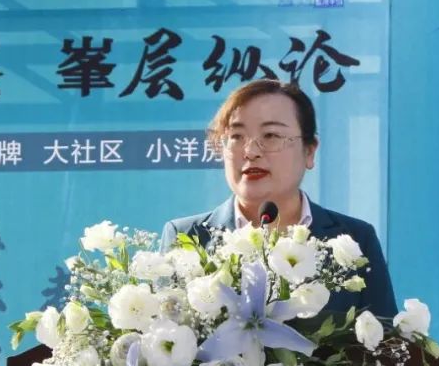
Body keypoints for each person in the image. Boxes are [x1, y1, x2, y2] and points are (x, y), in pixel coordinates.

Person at [160, 79, 398, 319]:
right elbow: (163, 331)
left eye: (271, 135)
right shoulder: (186, 236)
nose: (250, 151)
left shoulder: (355, 239)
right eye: (236, 136)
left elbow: (384, 338)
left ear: (309, 150)